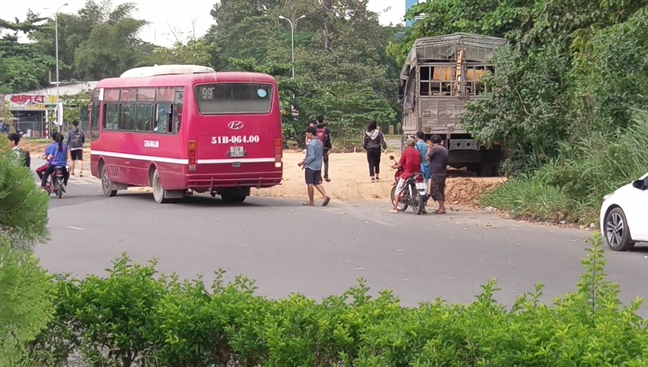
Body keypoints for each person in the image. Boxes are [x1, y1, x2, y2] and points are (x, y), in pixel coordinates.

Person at [298, 126, 331, 207]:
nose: (306, 135)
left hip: (310, 166)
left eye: (307, 133)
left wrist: (303, 162)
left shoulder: (311, 144)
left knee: (309, 183)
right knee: (316, 182)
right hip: (318, 165)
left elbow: (311, 156)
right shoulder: (320, 142)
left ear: (310, 134)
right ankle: (325, 196)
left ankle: (311, 201)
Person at [391, 138, 422, 213]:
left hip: (408, 174)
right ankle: (423, 208)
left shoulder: (406, 152)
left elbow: (400, 164)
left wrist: (394, 166)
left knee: (398, 189)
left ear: (407, 145)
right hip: (418, 174)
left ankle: (395, 208)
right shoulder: (418, 153)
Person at [426, 134, 449, 214]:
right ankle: (441, 207)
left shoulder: (435, 149)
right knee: (441, 190)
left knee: (435, 190)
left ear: (432, 142)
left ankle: (442, 207)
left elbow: (428, 157)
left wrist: (429, 148)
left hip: (436, 172)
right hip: (443, 171)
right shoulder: (444, 149)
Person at [314, 115, 332, 182]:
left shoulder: (314, 129)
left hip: (317, 148)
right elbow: (328, 139)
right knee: (326, 162)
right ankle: (326, 176)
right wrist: (329, 148)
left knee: (318, 162)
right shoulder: (326, 129)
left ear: (317, 121)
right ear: (323, 120)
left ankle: (319, 178)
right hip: (324, 148)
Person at [414, 131, 431, 205]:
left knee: (420, 184)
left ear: (417, 137)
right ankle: (425, 200)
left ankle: (420, 200)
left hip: (420, 167)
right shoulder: (427, 145)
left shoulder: (416, 146)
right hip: (427, 166)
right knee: (426, 183)